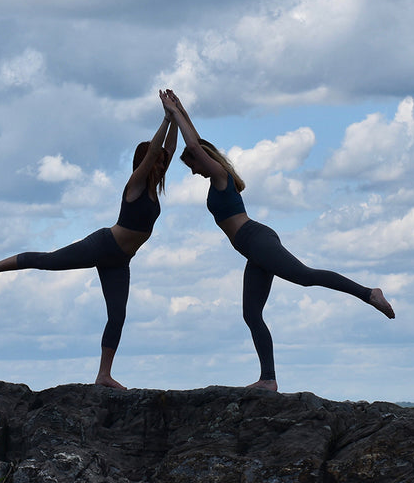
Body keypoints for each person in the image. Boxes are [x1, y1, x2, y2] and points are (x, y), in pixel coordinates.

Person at [161, 89, 393, 391]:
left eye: (191, 165)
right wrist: (179, 110)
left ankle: (368, 293)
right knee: (251, 313)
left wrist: (175, 115)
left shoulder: (218, 174)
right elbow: (197, 140)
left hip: (256, 240)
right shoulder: (217, 174)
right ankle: (268, 379)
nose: (192, 171)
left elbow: (195, 145)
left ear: (202, 160)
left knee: (306, 277)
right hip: (252, 248)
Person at [0, 99, 178, 389]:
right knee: (49, 261)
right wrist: (165, 120)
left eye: (163, 161)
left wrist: (176, 116)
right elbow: (155, 151)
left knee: (118, 316)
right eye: (158, 160)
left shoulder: (154, 186)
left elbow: (169, 150)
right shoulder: (136, 184)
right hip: (103, 245)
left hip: (120, 261)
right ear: (145, 163)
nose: (163, 162)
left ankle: (103, 375)